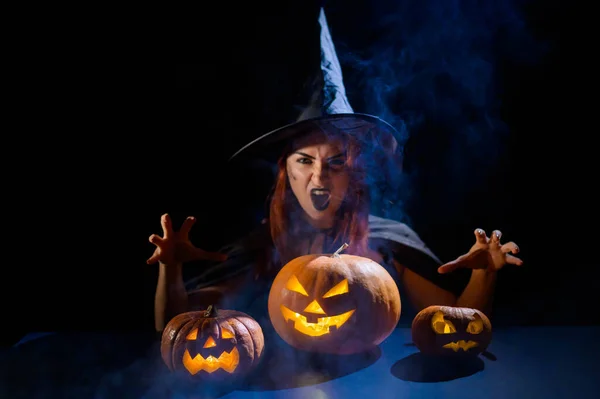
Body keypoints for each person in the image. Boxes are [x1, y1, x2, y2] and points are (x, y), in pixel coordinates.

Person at [153, 8, 523, 333]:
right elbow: (176, 326)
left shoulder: (389, 242)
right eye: (304, 161)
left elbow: (461, 322)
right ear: (287, 174)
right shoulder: (263, 247)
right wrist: (170, 270)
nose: (319, 178)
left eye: (336, 163)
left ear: (355, 174)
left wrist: (484, 273)